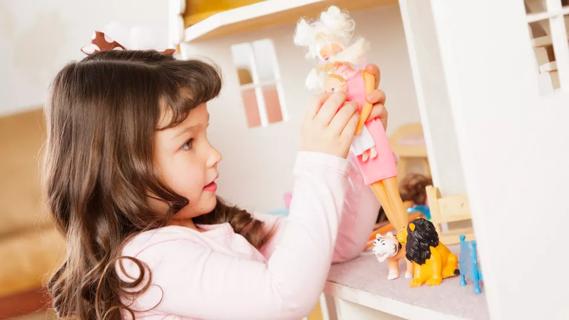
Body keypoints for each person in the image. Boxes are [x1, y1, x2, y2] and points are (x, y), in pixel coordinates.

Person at [43, 48, 388, 319]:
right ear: (121, 169)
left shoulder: (212, 228)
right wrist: (318, 163)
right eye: (187, 143)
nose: (214, 155)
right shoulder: (148, 260)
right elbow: (284, 296)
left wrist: (359, 150)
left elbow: (338, 245)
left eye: (205, 134)